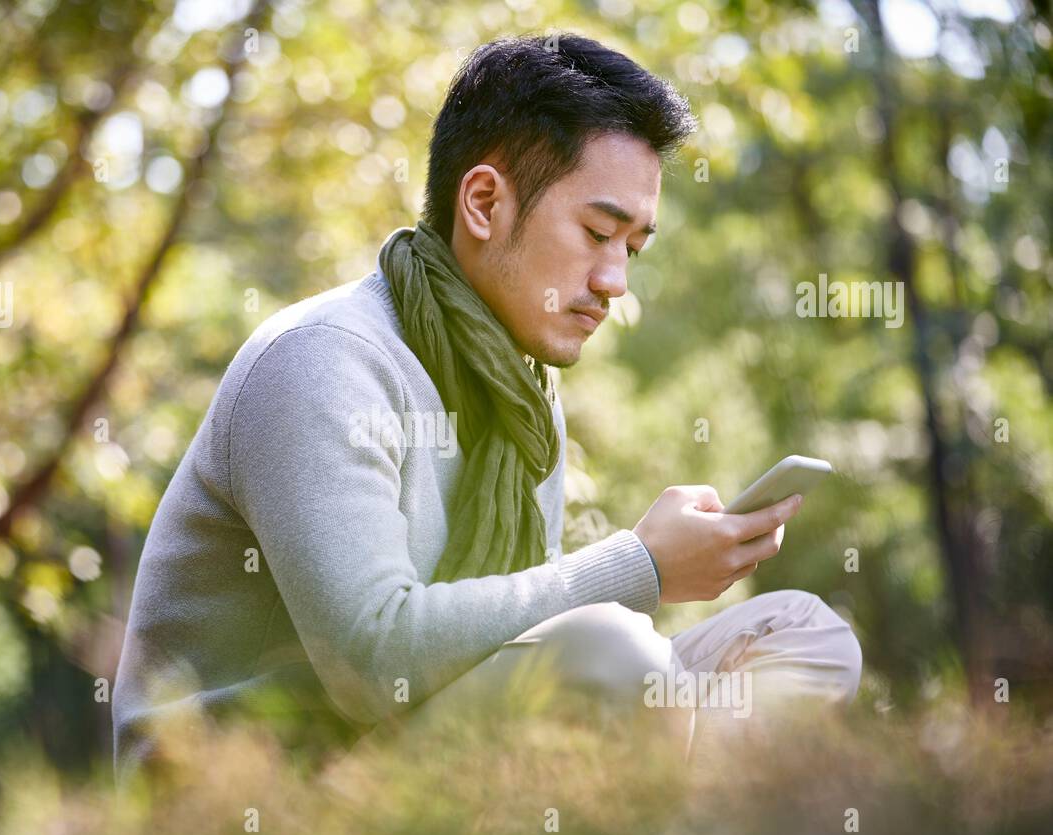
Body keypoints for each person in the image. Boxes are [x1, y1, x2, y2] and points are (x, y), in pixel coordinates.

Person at [112, 33, 862, 785]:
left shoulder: (524, 398)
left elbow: (509, 638)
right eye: (598, 233)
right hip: (270, 792)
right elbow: (373, 661)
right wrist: (641, 566)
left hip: (422, 742)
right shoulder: (321, 361)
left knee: (805, 636)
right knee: (612, 658)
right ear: (483, 204)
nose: (614, 282)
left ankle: (675, 828)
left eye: (632, 248)